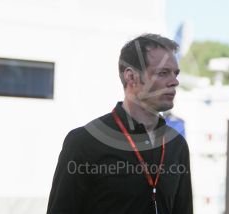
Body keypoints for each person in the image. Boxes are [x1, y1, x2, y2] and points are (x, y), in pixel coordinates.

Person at [46, 34, 193, 214]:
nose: (174, 81)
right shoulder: (84, 142)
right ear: (131, 77)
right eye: (163, 73)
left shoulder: (176, 144)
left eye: (175, 73)